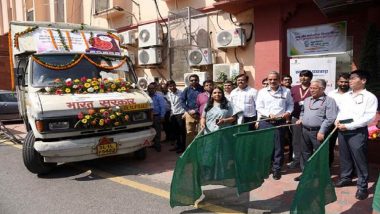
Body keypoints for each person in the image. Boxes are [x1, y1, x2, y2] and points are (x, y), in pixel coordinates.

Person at [334, 69, 378, 200]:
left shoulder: (369, 97)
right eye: (350, 78)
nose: (350, 80)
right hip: (342, 130)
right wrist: (338, 119)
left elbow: (369, 118)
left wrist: (349, 126)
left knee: (360, 159)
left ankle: (362, 186)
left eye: (353, 78)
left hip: (357, 132)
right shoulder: (346, 95)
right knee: (345, 156)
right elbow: (342, 111)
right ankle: (346, 177)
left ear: (363, 80)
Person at [294, 79, 337, 181]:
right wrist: (301, 118)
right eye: (311, 88)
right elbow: (302, 112)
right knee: (305, 153)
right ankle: (306, 173)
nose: (311, 90)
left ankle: (321, 174)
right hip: (305, 131)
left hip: (318, 132)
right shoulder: (307, 100)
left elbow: (330, 118)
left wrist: (322, 131)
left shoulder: (329, 101)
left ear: (322, 89)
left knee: (320, 154)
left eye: (314, 88)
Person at [256, 71, 294, 180]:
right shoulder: (262, 92)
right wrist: (268, 114)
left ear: (279, 80)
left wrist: (288, 112)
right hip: (266, 121)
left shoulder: (286, 91)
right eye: (270, 79)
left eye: (275, 79)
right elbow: (259, 107)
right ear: (267, 80)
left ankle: (277, 169)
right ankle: (266, 167)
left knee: (279, 146)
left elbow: (290, 105)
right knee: (266, 146)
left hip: (280, 122)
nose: (272, 81)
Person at [288, 70, 313, 170]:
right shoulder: (293, 89)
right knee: (296, 140)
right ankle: (296, 160)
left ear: (310, 78)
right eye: (301, 76)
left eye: (306, 76)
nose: (303, 78)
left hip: (309, 119)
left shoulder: (313, 88)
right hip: (295, 118)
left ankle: (308, 160)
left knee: (308, 141)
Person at [327, 73, 350, 167]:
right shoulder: (331, 94)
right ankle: (328, 165)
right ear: (337, 82)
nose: (343, 84)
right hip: (332, 123)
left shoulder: (353, 94)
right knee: (329, 145)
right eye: (341, 81)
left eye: (346, 82)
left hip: (347, 124)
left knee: (347, 148)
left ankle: (349, 169)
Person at [180, 74, 204, 147]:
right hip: (190, 114)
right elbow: (182, 101)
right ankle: (189, 150)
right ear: (189, 81)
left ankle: (200, 148)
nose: (194, 81)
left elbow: (205, 102)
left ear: (198, 80)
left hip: (201, 114)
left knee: (201, 132)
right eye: (191, 80)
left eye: (195, 80)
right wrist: (188, 110)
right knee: (189, 133)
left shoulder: (202, 89)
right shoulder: (187, 89)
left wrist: (196, 110)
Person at [167, 80, 186, 153]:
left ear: (175, 85)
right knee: (175, 131)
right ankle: (178, 145)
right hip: (173, 114)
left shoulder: (181, 93)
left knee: (182, 131)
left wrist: (185, 113)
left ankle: (183, 147)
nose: (171, 87)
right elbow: (172, 104)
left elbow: (185, 103)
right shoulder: (169, 94)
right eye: (169, 86)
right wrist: (171, 113)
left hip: (181, 113)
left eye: (172, 85)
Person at [147, 83, 167, 152]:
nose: (151, 90)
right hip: (149, 117)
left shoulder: (159, 96)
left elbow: (163, 107)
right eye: (149, 88)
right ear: (148, 89)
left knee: (157, 131)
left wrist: (162, 116)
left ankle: (158, 146)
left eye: (152, 88)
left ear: (155, 89)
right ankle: (154, 143)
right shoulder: (147, 97)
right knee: (151, 131)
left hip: (157, 116)